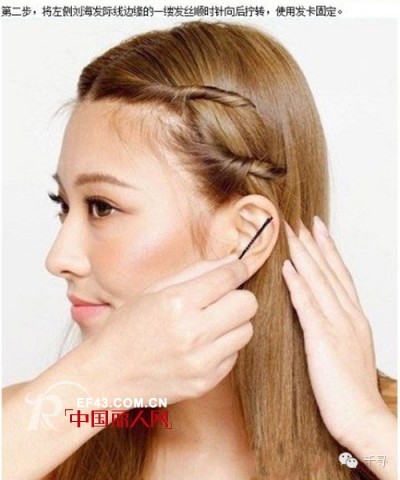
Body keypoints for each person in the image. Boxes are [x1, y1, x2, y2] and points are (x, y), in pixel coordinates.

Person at [3, 20, 396, 480]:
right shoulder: (35, 431)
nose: (59, 259)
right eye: (64, 205)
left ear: (246, 233)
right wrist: (101, 381)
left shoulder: (382, 434)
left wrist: (367, 428)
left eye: (102, 207)